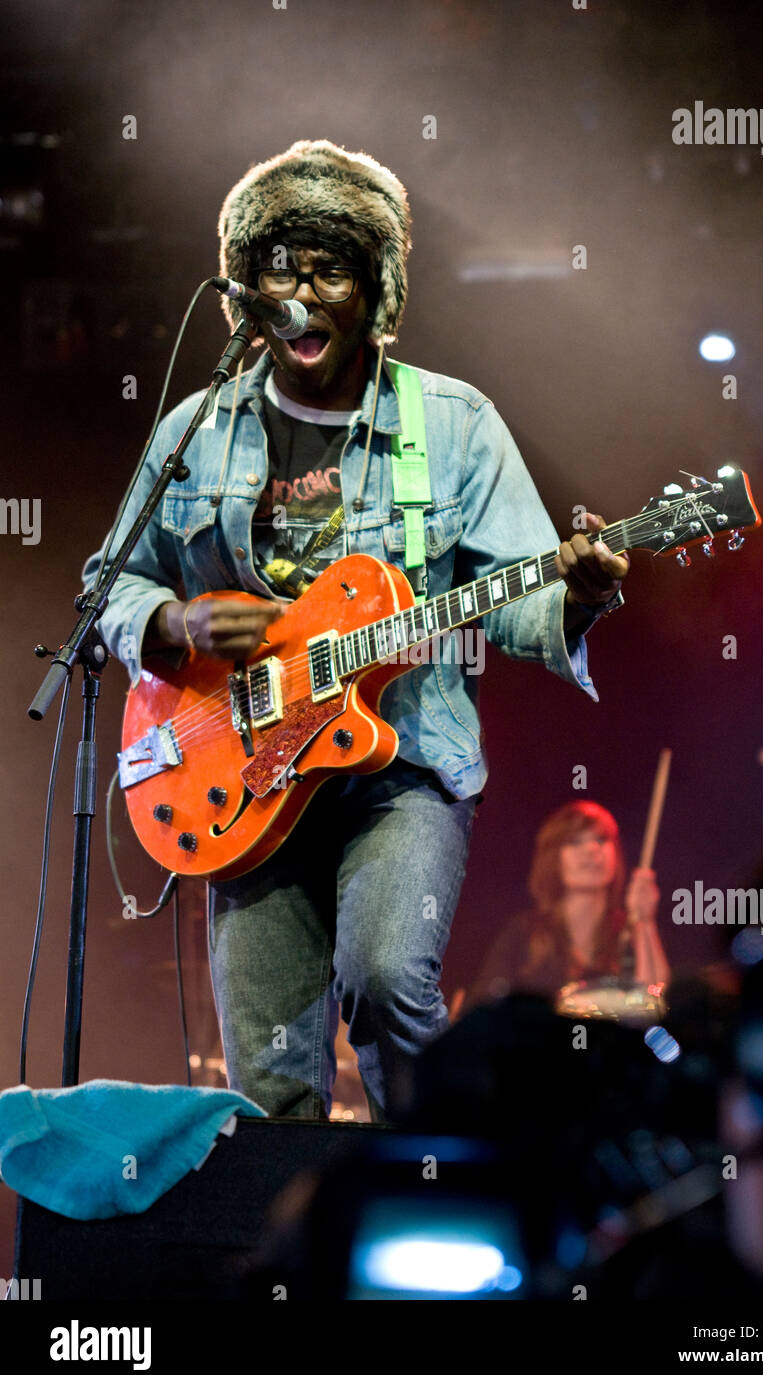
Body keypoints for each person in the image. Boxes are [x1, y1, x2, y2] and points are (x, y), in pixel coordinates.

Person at [82, 140, 627, 1121]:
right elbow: (108, 582)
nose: (301, 293)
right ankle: (296, 1256)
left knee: (384, 975)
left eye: (328, 269)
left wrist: (578, 593)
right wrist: (169, 620)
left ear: (373, 290)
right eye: (279, 269)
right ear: (246, 288)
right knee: (268, 1060)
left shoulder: (453, 424)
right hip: (242, 777)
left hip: (399, 768)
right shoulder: (196, 429)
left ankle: (422, 1196)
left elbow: (515, 598)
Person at [471, 800, 670, 1007]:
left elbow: (653, 1004)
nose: (592, 849)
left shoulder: (629, 933)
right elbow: (486, 1007)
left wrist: (646, 922)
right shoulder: (523, 933)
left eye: (601, 839)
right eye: (575, 841)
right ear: (553, 858)